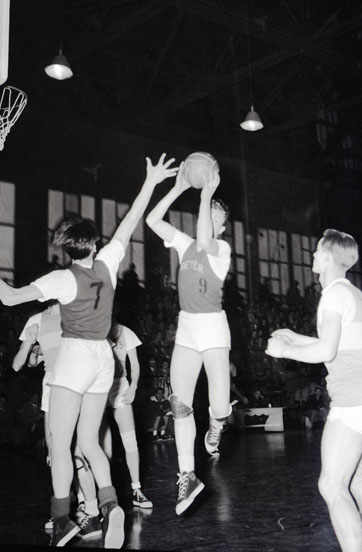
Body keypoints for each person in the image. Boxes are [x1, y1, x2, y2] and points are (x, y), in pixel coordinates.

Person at [0, 153, 178, 548]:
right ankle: (110, 504)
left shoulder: (62, 278)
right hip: (104, 360)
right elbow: (131, 220)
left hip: (74, 358)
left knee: (61, 444)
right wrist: (151, 181)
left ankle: (61, 521)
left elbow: (10, 298)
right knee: (90, 441)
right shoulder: (108, 263)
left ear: (68, 249)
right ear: (94, 243)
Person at [265, 229, 362, 552]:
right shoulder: (353, 293)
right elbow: (338, 346)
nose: (312, 255)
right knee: (355, 481)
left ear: (330, 257)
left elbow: (326, 351)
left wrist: (285, 350)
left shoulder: (333, 296)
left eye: (318, 250)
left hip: (354, 399)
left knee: (331, 485)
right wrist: (294, 337)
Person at [146, 164, 232, 515]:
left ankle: (217, 426)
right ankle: (187, 475)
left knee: (220, 406)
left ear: (221, 227)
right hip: (187, 327)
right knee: (179, 403)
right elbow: (152, 220)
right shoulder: (185, 244)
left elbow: (206, 238)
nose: (208, 219)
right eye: (206, 213)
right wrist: (179, 187)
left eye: (215, 216)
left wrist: (207, 194)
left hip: (213, 327)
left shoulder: (221, 249)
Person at [13, 305, 101, 540]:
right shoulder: (36, 320)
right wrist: (30, 343)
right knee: (54, 455)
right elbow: (20, 364)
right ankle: (63, 512)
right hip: (51, 384)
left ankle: (90, 510)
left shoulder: (75, 310)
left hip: (76, 380)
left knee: (79, 453)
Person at [102, 321, 152, 509]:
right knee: (103, 445)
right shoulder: (93, 326)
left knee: (130, 441)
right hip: (98, 385)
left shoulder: (125, 331)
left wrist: (133, 386)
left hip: (119, 384)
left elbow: (135, 364)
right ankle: (105, 495)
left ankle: (137, 491)